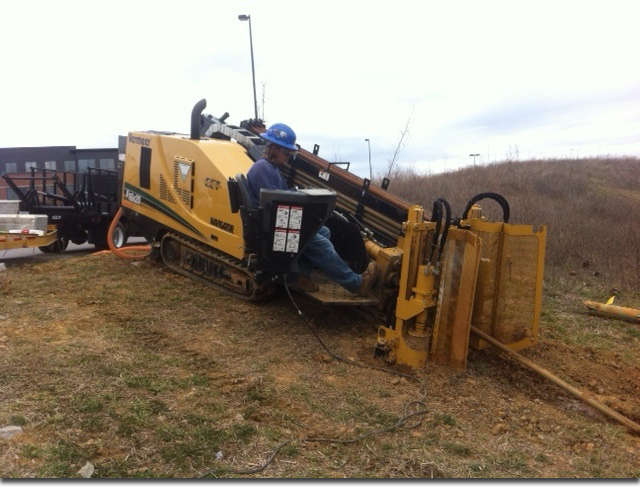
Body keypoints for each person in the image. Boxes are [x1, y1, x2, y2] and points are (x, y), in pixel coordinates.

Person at [246, 123, 379, 296]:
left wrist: (298, 192)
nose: (288, 157)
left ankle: (300, 275)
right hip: (273, 229)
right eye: (286, 152)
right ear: (273, 147)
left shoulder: (271, 168)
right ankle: (356, 284)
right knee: (321, 243)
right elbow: (276, 203)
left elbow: (280, 195)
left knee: (323, 231)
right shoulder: (263, 169)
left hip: (274, 222)